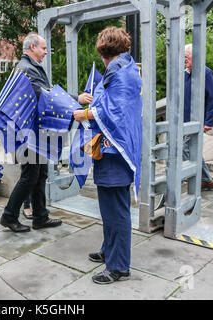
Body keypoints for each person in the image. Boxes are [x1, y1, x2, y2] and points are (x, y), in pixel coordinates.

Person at [73, 27, 142, 284]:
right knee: (110, 208)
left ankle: (119, 267)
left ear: (106, 51)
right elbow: (113, 107)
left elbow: (116, 113)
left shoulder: (121, 74)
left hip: (115, 154)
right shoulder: (125, 69)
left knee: (116, 211)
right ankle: (108, 251)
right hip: (113, 151)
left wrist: (86, 113)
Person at [0, 32, 62, 232]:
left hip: (35, 130)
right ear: (32, 47)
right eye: (43, 48)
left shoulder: (30, 67)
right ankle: (9, 216)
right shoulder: (27, 69)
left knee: (40, 173)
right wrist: (74, 99)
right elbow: (45, 94)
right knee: (30, 175)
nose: (46, 52)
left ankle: (40, 217)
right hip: (29, 133)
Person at [184, 44, 213, 191]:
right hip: (183, 121)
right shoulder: (185, 73)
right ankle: (205, 180)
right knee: (193, 151)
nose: (183, 60)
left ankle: (193, 176)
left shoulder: (206, 73)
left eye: (186, 57)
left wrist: (208, 121)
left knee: (184, 149)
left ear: (195, 58)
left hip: (196, 121)